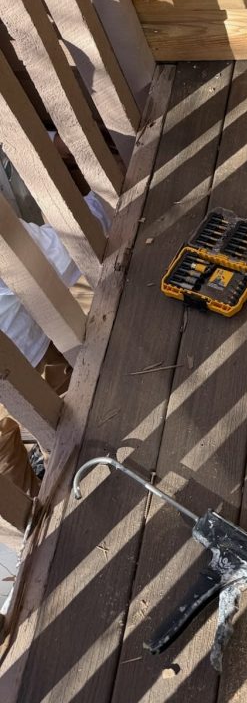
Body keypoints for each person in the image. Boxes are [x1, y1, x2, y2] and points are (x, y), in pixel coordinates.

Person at [0, 193, 109, 515]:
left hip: (15, 361)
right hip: (25, 362)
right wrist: (101, 200)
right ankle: (89, 493)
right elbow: (58, 259)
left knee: (8, 463)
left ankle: (49, 519)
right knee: (70, 419)